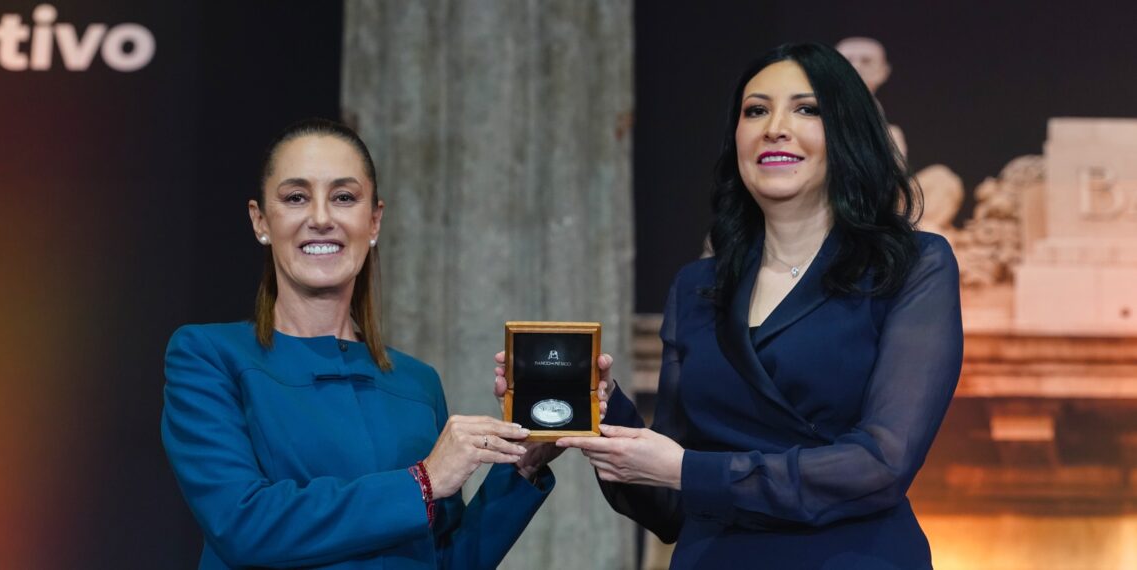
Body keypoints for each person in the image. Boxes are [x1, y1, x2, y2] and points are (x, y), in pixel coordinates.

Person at [558, 43, 963, 569]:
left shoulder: (912, 265)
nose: (775, 126)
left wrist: (689, 471)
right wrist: (600, 406)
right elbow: (670, 506)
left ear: (848, 134)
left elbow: (881, 464)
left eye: (806, 109)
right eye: (756, 110)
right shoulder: (697, 287)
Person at [162, 118, 595, 569]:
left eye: (344, 197)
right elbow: (242, 524)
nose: (321, 218)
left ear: (374, 221)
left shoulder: (417, 382)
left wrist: (521, 466)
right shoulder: (208, 356)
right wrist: (421, 483)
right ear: (260, 221)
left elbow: (443, 560)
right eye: (296, 197)